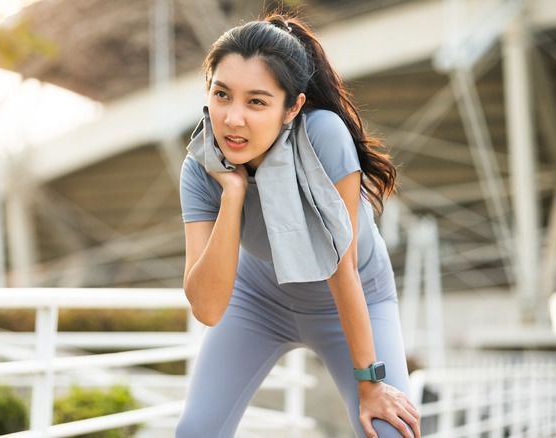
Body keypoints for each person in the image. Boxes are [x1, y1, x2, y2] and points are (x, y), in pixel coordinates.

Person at [176, 12, 420, 438]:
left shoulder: (324, 137)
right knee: (195, 432)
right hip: (258, 301)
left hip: (350, 295)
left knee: (388, 431)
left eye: (256, 101)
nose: (233, 119)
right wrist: (233, 195)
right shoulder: (200, 168)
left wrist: (371, 384)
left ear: (292, 108)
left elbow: (340, 268)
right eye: (222, 95)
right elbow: (208, 308)